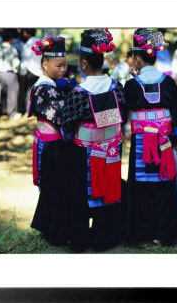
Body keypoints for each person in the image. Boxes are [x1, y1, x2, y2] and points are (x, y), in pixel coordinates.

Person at [60, 29, 126, 251]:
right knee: (109, 191)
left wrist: (68, 138)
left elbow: (67, 124)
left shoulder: (79, 93)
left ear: (84, 63)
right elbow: (123, 114)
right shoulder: (117, 88)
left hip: (83, 153)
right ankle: (105, 237)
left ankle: (79, 239)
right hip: (112, 151)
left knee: (81, 194)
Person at [123, 28, 177, 247]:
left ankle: (141, 233)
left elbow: (124, 114)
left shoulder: (131, 85)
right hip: (164, 142)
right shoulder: (168, 83)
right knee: (163, 185)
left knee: (140, 186)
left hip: (141, 142)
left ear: (137, 59)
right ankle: (163, 233)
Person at [27, 36, 80, 249]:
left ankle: (52, 227)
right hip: (51, 144)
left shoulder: (51, 85)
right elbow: (63, 116)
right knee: (54, 189)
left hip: (53, 143)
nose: (63, 69)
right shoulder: (45, 88)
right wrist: (73, 93)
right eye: (58, 65)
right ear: (45, 64)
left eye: (65, 65)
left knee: (54, 188)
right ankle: (54, 231)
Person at [0, 28, 21, 118]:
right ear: (11, 39)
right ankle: (12, 113)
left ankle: (2, 111)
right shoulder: (12, 49)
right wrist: (16, 70)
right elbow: (16, 63)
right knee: (12, 93)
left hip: (0, 73)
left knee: (3, 92)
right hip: (10, 73)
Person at [19, 28, 43, 115]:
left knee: (30, 92)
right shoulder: (41, 42)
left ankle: (29, 110)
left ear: (26, 33)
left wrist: (23, 73)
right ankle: (39, 109)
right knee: (40, 92)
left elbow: (25, 60)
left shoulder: (27, 45)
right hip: (42, 72)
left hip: (31, 71)